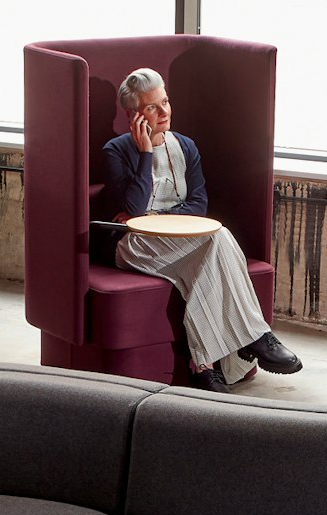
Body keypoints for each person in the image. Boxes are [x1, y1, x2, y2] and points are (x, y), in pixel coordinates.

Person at [96, 66, 301, 393]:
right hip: (131, 242)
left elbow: (198, 204)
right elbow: (134, 210)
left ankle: (203, 365)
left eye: (165, 101)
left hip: (184, 238)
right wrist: (146, 152)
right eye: (151, 107)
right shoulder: (116, 150)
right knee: (217, 238)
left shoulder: (187, 146)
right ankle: (254, 336)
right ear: (134, 114)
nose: (163, 112)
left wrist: (158, 217)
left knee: (211, 247)